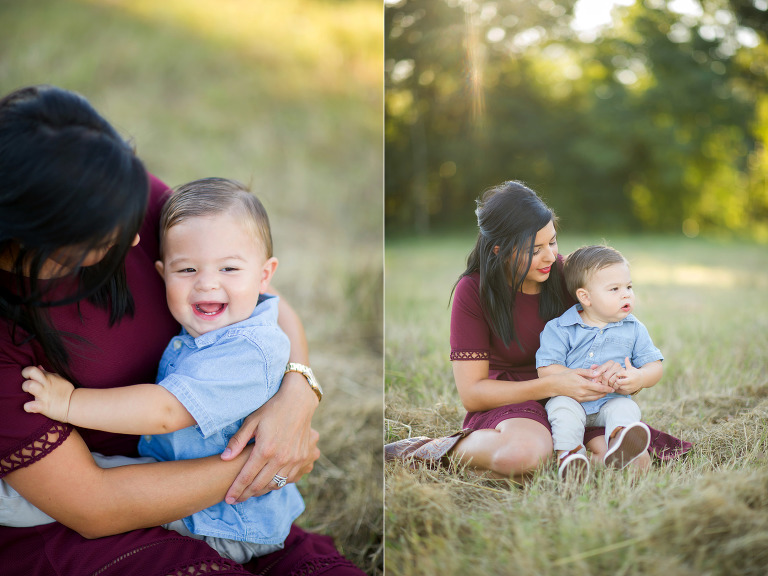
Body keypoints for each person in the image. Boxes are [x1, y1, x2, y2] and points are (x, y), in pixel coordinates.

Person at [0, 85, 362, 575]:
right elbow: (92, 505)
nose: (133, 238)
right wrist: (264, 463)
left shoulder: (120, 196)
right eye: (107, 237)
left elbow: (267, 310)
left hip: (221, 501)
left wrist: (298, 394)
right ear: (36, 238)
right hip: (91, 517)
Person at [20, 178, 309, 563]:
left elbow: (166, 411)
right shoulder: (212, 327)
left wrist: (70, 403)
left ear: (264, 275)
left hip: (226, 521)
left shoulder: (250, 350)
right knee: (78, 482)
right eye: (187, 269)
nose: (207, 283)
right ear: (161, 273)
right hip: (183, 479)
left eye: (228, 268)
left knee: (92, 506)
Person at [385, 180, 691, 482]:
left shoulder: (569, 275)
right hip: (512, 401)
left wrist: (618, 376)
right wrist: (554, 385)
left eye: (552, 242)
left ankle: (543, 469)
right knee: (527, 455)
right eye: (535, 249)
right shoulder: (474, 291)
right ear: (499, 249)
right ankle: (431, 451)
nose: (550, 256)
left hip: (580, 402)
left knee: (635, 467)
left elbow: (620, 338)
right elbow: (472, 394)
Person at [537, 245, 662, 482]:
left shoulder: (634, 328)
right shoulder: (560, 328)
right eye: (614, 289)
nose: (626, 294)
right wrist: (578, 378)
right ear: (585, 297)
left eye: (629, 287)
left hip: (610, 401)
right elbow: (547, 369)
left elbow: (654, 365)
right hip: (572, 399)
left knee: (627, 408)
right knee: (562, 410)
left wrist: (638, 377)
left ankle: (619, 440)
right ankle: (569, 456)